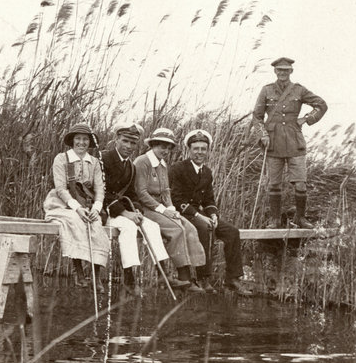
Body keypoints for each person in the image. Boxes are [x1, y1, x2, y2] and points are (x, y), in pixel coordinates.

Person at [169, 129, 250, 295]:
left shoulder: (207, 172)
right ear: (188, 150)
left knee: (232, 232)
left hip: (199, 213)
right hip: (181, 213)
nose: (199, 152)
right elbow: (176, 199)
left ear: (207, 151)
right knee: (204, 228)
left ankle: (233, 279)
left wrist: (213, 215)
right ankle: (203, 278)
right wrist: (199, 216)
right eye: (196, 148)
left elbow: (208, 200)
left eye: (203, 149)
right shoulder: (178, 168)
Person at [252, 57, 328, 228]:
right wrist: (262, 134)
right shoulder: (266, 90)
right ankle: (275, 220)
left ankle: (300, 218)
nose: (282, 73)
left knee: (301, 183)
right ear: (275, 71)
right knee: (274, 184)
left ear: (291, 71)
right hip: (273, 142)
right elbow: (257, 116)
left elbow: (321, 105)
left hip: (295, 141)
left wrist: (307, 118)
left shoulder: (299, 90)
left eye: (286, 70)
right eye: (280, 70)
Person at [100, 121, 172, 296]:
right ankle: (129, 280)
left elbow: (132, 194)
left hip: (123, 212)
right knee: (129, 227)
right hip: (104, 211)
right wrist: (126, 213)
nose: (129, 146)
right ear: (116, 139)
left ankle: (163, 274)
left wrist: (137, 210)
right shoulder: (103, 159)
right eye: (125, 141)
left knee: (152, 226)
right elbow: (100, 192)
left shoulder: (131, 167)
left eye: (133, 143)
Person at [133, 127, 206, 293]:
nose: (165, 151)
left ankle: (194, 274)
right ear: (153, 145)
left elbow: (166, 191)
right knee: (176, 228)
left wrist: (172, 209)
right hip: (145, 208)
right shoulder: (142, 162)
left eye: (168, 147)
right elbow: (141, 193)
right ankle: (183, 276)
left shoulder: (163, 164)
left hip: (160, 208)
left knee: (189, 228)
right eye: (161, 146)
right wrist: (163, 210)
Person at [43, 123, 111, 284]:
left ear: (89, 142)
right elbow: (61, 189)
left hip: (86, 203)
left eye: (85, 139)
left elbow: (100, 189)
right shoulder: (61, 159)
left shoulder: (94, 162)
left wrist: (96, 208)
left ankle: (95, 275)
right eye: (78, 139)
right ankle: (78, 271)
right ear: (73, 141)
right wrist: (77, 208)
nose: (81, 142)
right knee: (75, 221)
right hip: (61, 203)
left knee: (96, 223)